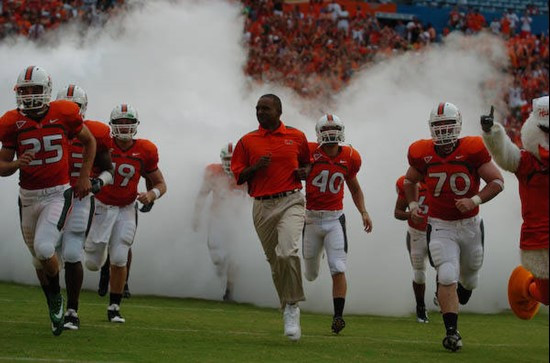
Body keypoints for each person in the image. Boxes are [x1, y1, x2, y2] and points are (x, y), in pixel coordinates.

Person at [0, 66, 96, 336]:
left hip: (57, 192)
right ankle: (52, 299)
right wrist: (18, 163)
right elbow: (2, 165)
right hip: (28, 197)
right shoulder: (11, 122)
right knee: (38, 259)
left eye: (34, 90)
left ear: (46, 91)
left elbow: (89, 143)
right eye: (24, 90)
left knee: (45, 248)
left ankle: (58, 300)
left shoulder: (64, 113)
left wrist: (84, 176)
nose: (29, 96)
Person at [404, 102, 504, 352]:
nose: (443, 130)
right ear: (431, 127)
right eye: (438, 125)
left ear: (457, 124)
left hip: (470, 225)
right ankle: (451, 332)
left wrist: (475, 199)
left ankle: (464, 291)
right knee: (447, 274)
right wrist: (414, 203)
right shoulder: (422, 152)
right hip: (440, 225)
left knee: (470, 276)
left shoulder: (472, 148)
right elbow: (410, 179)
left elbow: (497, 181)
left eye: (447, 124)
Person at [231, 94, 310, 341]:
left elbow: (308, 165)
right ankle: (286, 304)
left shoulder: (296, 136)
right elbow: (239, 177)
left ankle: (293, 306)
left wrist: (303, 172)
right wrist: (255, 167)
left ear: (279, 111)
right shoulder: (247, 141)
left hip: (291, 200)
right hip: (262, 205)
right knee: (275, 261)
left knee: (288, 252)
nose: (260, 112)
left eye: (265, 108)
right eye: (257, 108)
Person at [84, 104, 167, 323]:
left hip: (126, 208)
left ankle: (114, 307)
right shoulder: (102, 144)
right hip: (101, 205)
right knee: (92, 262)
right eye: (119, 123)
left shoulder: (146, 150)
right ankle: (102, 262)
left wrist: (152, 195)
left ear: (135, 125)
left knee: (120, 255)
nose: (123, 127)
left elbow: (160, 183)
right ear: (111, 125)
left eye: (128, 123)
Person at [302, 114, 372, 334]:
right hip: (311, 219)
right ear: (319, 132)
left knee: (338, 267)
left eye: (334, 129)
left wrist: (363, 211)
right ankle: (318, 256)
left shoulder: (350, 156)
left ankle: (338, 316)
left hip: (334, 219)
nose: (331, 134)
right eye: (327, 130)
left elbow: (354, 187)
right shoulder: (309, 153)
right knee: (310, 274)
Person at [481, 98, 549, 319]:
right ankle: (524, 286)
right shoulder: (528, 162)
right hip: (538, 238)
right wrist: (493, 133)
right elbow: (506, 154)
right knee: (547, 296)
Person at [56, 84, 114, 330]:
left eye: (74, 107)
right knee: (44, 256)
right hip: (50, 197)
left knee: (71, 254)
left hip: (80, 198)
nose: (70, 111)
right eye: (65, 107)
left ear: (83, 108)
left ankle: (72, 310)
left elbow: (108, 168)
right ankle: (54, 300)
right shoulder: (48, 127)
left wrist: (99, 181)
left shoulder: (96, 132)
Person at [193, 142, 247, 301]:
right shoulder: (213, 172)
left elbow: (254, 199)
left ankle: (229, 292)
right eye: (227, 159)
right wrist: (196, 216)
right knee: (217, 258)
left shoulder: (246, 174)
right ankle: (221, 269)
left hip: (238, 221)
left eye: (233, 159)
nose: (230, 163)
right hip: (217, 218)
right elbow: (202, 194)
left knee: (234, 257)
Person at [394, 175, 431, 323]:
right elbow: (397, 212)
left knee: (444, 268)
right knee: (419, 273)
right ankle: (420, 306)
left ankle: (441, 296)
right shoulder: (407, 183)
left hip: (439, 231)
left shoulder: (440, 179)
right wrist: (411, 214)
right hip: (416, 233)